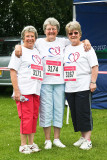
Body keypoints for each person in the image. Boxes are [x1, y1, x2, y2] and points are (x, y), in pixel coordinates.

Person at [15, 17, 91, 150]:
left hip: (60, 83)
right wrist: (17, 46)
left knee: (58, 110)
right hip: (44, 83)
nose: (51, 31)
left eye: (54, 29)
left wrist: (87, 41)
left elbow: (77, 40)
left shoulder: (63, 42)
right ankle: (47, 140)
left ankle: (56, 138)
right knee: (46, 110)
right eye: (49, 29)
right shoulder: (38, 42)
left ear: (57, 31)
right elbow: (26, 43)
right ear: (45, 30)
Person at [64, 21, 98, 150]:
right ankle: (82, 137)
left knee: (84, 113)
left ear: (80, 34)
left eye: (75, 33)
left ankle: (88, 139)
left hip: (83, 86)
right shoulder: (66, 48)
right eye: (70, 33)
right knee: (76, 113)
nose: (73, 35)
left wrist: (93, 82)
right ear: (68, 35)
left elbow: (94, 66)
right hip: (69, 87)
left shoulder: (87, 48)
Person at [8, 26, 43, 154]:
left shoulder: (36, 51)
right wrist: (16, 91)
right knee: (26, 118)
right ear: (23, 38)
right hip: (24, 91)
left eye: (32, 36)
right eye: (27, 36)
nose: (30, 38)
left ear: (35, 38)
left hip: (36, 90)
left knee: (34, 117)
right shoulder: (19, 51)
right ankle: (23, 145)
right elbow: (13, 71)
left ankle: (31, 143)